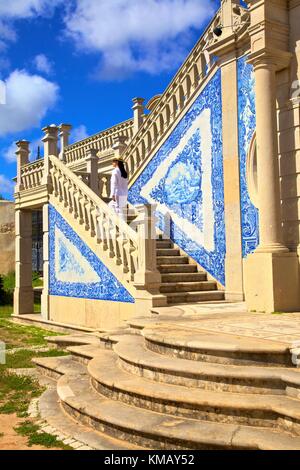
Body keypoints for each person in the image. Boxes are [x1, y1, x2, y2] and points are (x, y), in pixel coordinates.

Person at [108, 158, 128, 222]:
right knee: (120, 209)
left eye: (113, 161)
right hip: (124, 193)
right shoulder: (124, 172)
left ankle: (119, 224)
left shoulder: (115, 171)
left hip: (117, 193)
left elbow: (113, 183)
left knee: (117, 209)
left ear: (117, 162)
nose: (112, 163)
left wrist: (113, 194)